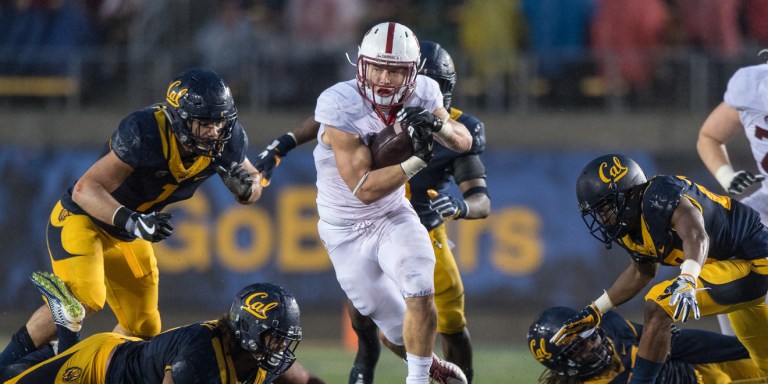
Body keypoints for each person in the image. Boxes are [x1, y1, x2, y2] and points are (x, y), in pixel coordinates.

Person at [253, 40, 490, 384]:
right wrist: (286, 142)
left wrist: (461, 205)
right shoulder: (363, 104)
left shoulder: (444, 116)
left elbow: (477, 187)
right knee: (367, 313)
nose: (390, 84)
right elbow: (327, 126)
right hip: (356, 216)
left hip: (418, 221)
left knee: (445, 313)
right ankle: (391, 364)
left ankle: (441, 377)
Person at [0, 68, 264, 371]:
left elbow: (252, 179)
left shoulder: (227, 140)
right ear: (179, 118)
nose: (213, 132)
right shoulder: (145, 132)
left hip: (126, 233)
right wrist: (133, 221)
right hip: (83, 219)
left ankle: (96, 373)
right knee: (85, 298)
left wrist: (247, 188)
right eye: (204, 122)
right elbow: (85, 190)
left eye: (219, 122)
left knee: (143, 327)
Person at [550, 154, 768, 383]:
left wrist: (688, 279)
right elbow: (641, 272)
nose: (603, 219)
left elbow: (696, 234)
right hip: (729, 271)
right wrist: (596, 310)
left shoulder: (659, 195)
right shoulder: (628, 226)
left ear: (629, 193)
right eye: (598, 212)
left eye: (605, 208)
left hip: (754, 262)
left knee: (659, 304)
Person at [4, 270, 325, 384]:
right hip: (96, 369)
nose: (279, 349)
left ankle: (64, 335)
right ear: (249, 331)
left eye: (283, 341)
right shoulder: (202, 355)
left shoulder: (258, 357)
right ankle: (67, 335)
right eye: (273, 339)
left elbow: (307, 380)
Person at [696, 60, 768, 335]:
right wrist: (726, 175)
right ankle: (741, 350)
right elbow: (709, 136)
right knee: (722, 238)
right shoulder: (750, 86)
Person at [528, 306, 766, 383]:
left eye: (590, 335)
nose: (592, 345)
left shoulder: (612, 327)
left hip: (701, 369)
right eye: (578, 348)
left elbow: (677, 342)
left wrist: (748, 347)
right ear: (564, 364)